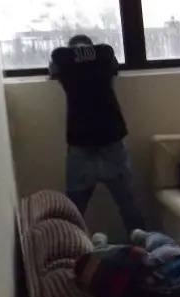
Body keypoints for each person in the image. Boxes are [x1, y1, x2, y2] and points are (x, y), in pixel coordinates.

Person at [50, 34, 144, 232]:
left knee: (74, 210)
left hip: (82, 145)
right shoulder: (102, 59)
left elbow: (58, 59)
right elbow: (106, 53)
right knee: (128, 205)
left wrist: (74, 54)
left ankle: (71, 247)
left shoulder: (66, 63)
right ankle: (143, 245)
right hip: (109, 142)